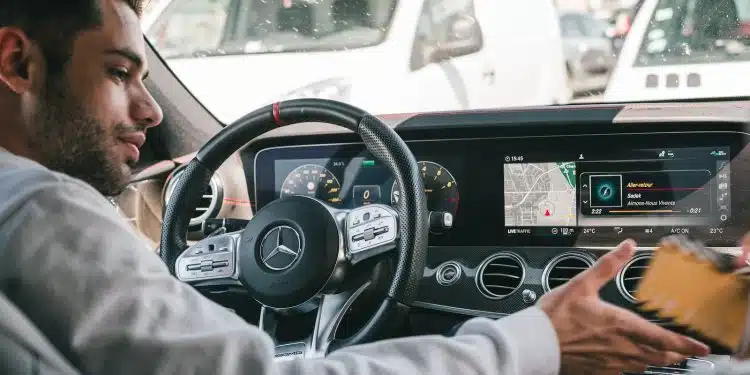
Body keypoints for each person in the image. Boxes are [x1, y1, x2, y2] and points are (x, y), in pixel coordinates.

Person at [0, 0, 718, 374]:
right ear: (18, 61)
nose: (153, 113)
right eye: (121, 73)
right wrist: (539, 340)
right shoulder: (40, 212)